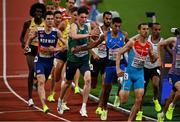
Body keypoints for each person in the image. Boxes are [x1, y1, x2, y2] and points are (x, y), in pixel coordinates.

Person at [57, 6, 99, 117]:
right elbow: (74, 36)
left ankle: (83, 107)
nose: (84, 19)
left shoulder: (87, 26)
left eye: (85, 17)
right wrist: (89, 35)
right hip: (73, 60)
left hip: (84, 59)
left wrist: (94, 53)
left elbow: (88, 44)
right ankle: (60, 101)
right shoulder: (73, 26)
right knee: (67, 83)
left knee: (88, 79)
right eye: (81, 17)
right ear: (77, 17)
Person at [25, 11, 67, 113]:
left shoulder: (56, 32)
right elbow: (29, 38)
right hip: (40, 60)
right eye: (48, 19)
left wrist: (56, 50)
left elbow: (67, 45)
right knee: (41, 81)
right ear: (45, 20)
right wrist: (27, 45)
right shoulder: (38, 30)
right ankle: (44, 106)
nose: (50, 21)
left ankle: (44, 103)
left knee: (48, 80)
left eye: (51, 19)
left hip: (50, 62)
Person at [116, 23, 158, 121]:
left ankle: (129, 120)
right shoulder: (132, 42)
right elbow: (119, 53)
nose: (146, 31)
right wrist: (118, 69)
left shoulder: (149, 45)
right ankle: (121, 82)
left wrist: (154, 57)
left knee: (139, 99)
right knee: (123, 101)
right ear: (138, 30)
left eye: (147, 29)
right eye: (143, 29)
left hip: (139, 74)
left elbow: (152, 60)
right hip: (129, 73)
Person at [20, 2, 46, 107]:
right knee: (31, 70)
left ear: (42, 13)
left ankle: (36, 82)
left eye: (40, 11)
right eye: (36, 11)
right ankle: (30, 98)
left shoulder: (46, 23)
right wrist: (23, 45)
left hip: (42, 49)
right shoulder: (28, 23)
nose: (38, 13)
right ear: (33, 12)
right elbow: (21, 37)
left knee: (45, 72)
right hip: (31, 48)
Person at [136, 23, 163, 120]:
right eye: (155, 30)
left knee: (156, 84)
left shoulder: (162, 41)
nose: (157, 32)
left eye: (159, 30)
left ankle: (155, 99)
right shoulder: (147, 38)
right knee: (142, 92)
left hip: (155, 67)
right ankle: (140, 111)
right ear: (151, 30)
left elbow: (169, 49)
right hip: (144, 67)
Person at [157, 28, 180, 122]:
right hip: (174, 73)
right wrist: (160, 59)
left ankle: (162, 114)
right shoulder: (175, 40)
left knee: (172, 94)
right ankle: (172, 106)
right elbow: (160, 44)